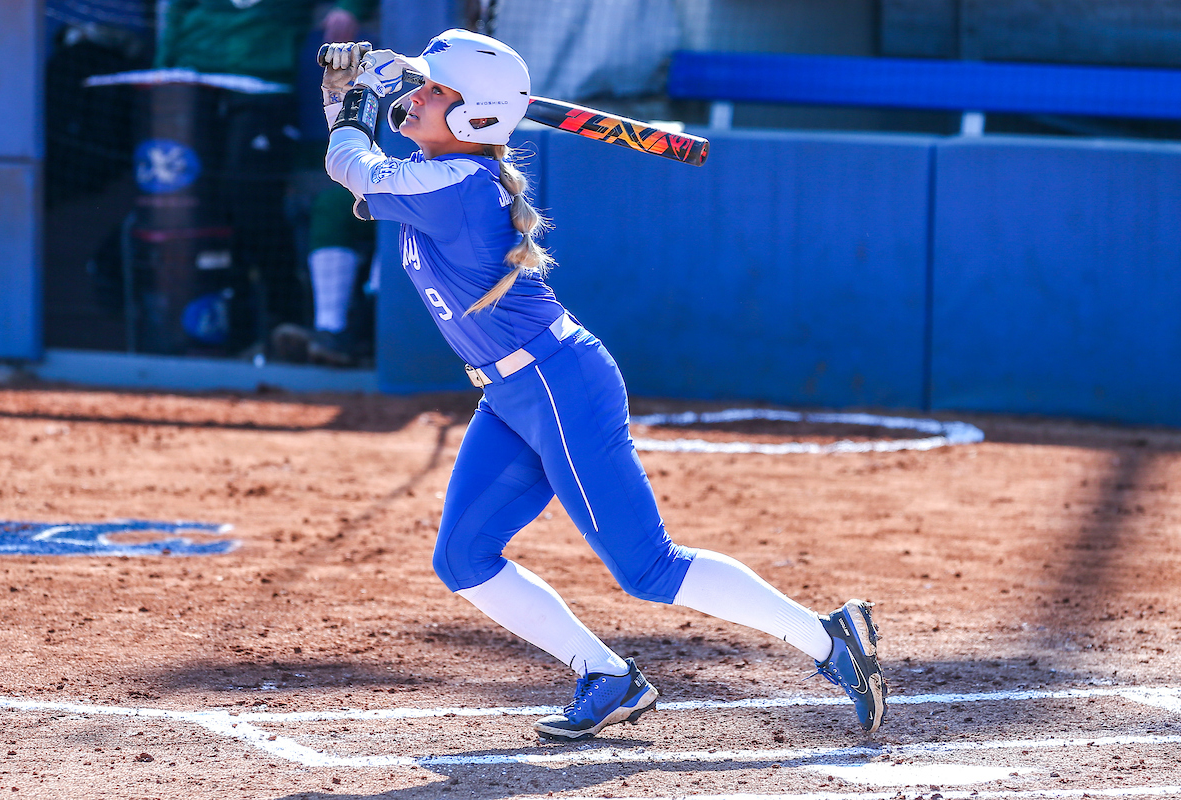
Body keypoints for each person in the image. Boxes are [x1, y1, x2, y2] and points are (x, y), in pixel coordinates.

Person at [318, 30, 888, 740]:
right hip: (511, 396)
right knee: (463, 558)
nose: (419, 96)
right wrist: (348, 96)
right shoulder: (443, 175)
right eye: (425, 85)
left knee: (648, 567)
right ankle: (608, 677)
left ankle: (831, 641)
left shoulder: (457, 187)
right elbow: (357, 164)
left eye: (436, 90)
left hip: (560, 386)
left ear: (474, 118)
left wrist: (360, 97)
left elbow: (352, 164)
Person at [155, 0, 373, 349]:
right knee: (202, 209)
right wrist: (163, 71)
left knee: (253, 208)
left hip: (266, 86)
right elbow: (177, 12)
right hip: (190, 82)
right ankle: (227, 333)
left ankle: (285, 321)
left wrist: (350, 9)